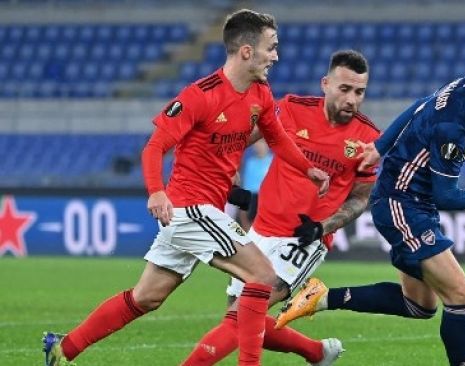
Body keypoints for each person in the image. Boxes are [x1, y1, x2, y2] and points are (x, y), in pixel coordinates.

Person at [42, 9, 329, 366]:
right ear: (245, 51)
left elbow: (277, 138)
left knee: (147, 297)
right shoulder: (200, 95)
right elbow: (154, 147)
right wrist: (155, 190)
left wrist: (309, 169)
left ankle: (63, 347)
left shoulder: (260, 94)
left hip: (198, 213)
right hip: (191, 209)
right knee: (263, 276)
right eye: (271, 47)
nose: (276, 56)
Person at [276, 41, 465, 366]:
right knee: (462, 295)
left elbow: (419, 105)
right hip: (402, 204)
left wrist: (379, 145)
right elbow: (446, 195)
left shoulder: (464, 85)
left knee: (420, 306)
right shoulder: (454, 128)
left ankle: (322, 297)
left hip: (409, 201)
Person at [181, 50, 380, 366]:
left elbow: (360, 198)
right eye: (344, 89)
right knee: (247, 319)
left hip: (303, 241)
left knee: (240, 316)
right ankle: (318, 352)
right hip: (260, 230)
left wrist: (321, 228)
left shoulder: (368, 138)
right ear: (326, 84)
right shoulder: (291, 109)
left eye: (359, 92)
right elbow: (235, 140)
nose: (352, 100)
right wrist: (228, 179)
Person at [237, 139, 273, 231]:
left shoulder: (274, 161)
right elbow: (244, 186)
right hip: (251, 199)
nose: (259, 146)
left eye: (262, 143)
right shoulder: (250, 162)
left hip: (268, 199)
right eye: (257, 143)